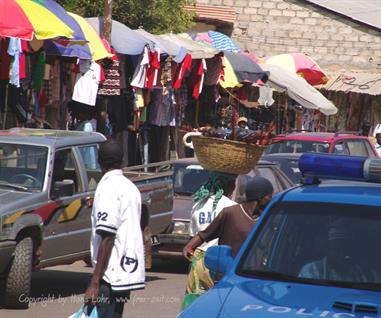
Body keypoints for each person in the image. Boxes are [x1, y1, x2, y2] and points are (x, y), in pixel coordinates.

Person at [84, 140, 145, 318]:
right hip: (125, 272)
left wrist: (94, 282)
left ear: (99, 162)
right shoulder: (131, 187)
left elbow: (108, 236)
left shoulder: (107, 188)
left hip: (109, 275)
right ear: (122, 161)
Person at [181, 172, 237, 308]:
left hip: (198, 262)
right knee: (220, 304)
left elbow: (193, 237)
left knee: (196, 303)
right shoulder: (232, 207)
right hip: (220, 262)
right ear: (229, 186)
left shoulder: (197, 205)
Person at [299, 220, 367, 282]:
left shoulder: (360, 272)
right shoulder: (312, 270)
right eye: (337, 250)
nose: (342, 254)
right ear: (327, 250)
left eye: (346, 250)